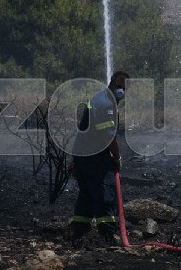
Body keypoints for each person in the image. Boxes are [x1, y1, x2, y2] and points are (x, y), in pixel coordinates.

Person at [68, 71, 129, 244]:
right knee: (104, 194)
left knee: (86, 194)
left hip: (82, 154)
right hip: (95, 157)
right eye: (119, 86)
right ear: (111, 83)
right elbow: (108, 136)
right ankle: (108, 236)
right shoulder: (107, 105)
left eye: (125, 88)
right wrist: (117, 157)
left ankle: (79, 232)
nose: (122, 91)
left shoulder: (98, 99)